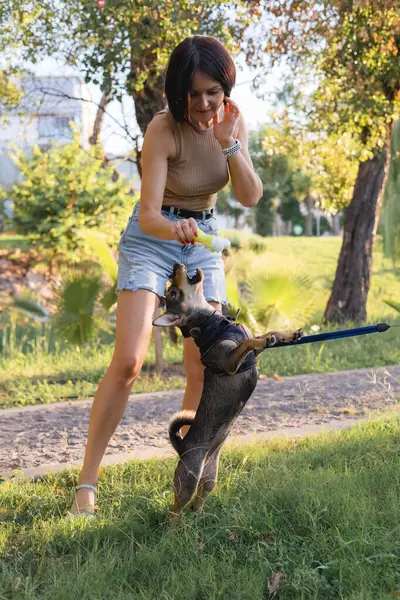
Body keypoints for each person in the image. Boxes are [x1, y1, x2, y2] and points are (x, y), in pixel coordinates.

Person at [70, 35, 262, 515]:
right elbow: (151, 214)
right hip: (153, 238)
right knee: (130, 361)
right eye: (192, 94)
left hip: (203, 241)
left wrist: (230, 144)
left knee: (208, 364)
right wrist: (176, 228)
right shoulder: (162, 129)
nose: (202, 104)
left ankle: (190, 473)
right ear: (179, 93)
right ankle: (86, 485)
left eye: (211, 93)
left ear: (225, 90)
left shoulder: (233, 124)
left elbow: (250, 195)